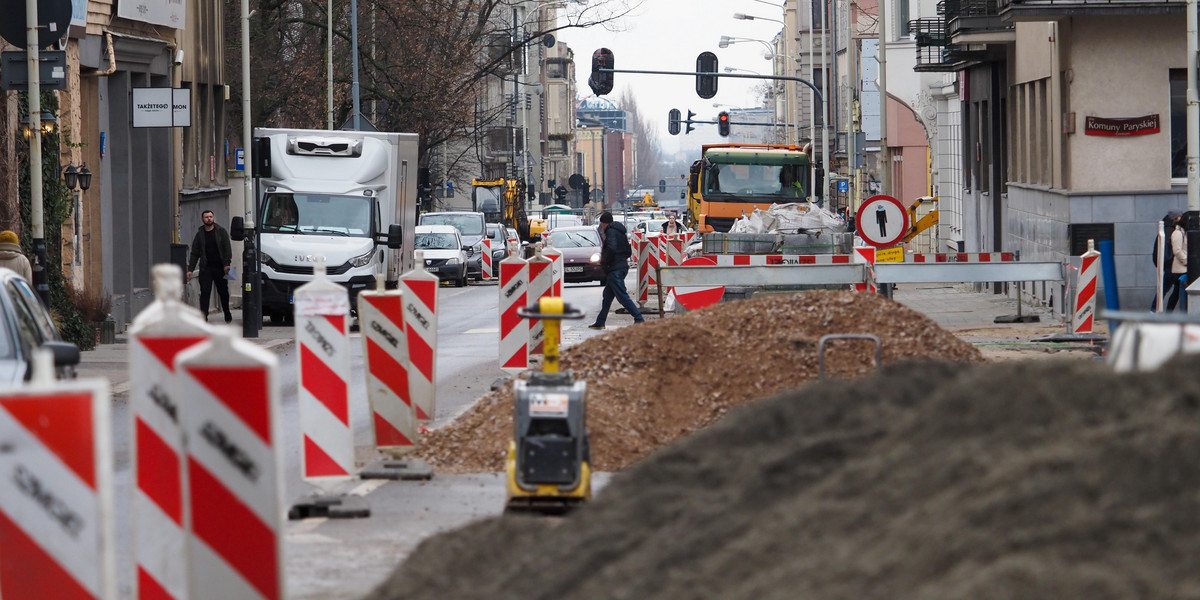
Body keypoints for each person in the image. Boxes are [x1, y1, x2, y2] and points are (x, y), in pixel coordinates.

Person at [589, 211, 644, 329]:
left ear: (604, 223)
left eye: (601, 224)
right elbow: (628, 251)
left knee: (622, 296)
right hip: (621, 265)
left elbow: (611, 248)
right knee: (607, 296)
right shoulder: (620, 232)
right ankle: (600, 321)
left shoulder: (611, 232)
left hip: (615, 268)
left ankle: (639, 318)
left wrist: (606, 262)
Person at [187, 210, 234, 323]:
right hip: (206, 268)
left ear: (213, 218)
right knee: (205, 292)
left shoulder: (221, 232)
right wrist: (190, 270)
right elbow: (195, 253)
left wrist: (227, 264)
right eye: (206, 217)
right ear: (203, 219)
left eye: (211, 216)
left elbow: (227, 249)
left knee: (223, 291)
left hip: (221, 267)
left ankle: (227, 311)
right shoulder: (200, 235)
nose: (209, 219)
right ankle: (204, 316)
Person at [1157, 209, 1188, 312]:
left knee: (1177, 293)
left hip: (1183, 267)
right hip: (1180, 268)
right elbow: (1177, 250)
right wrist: (1186, 261)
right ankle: (1169, 313)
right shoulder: (1178, 233)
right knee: (1177, 293)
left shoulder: (1183, 231)